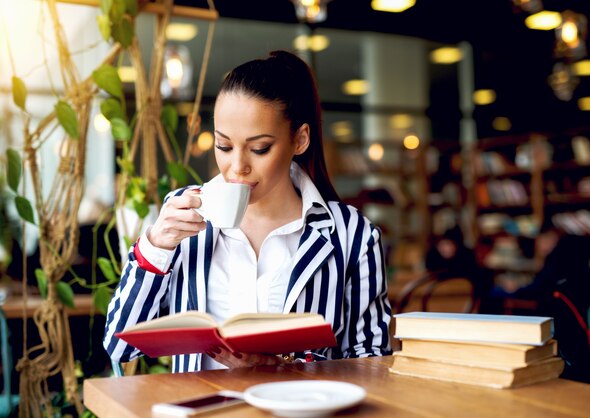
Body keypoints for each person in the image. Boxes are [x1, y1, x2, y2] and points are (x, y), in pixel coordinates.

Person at [103, 50, 392, 372]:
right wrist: (154, 247)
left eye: (259, 149)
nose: (236, 167)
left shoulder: (352, 235)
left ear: (299, 140)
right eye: (223, 146)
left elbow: (373, 363)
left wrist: (285, 365)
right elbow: (120, 346)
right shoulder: (182, 216)